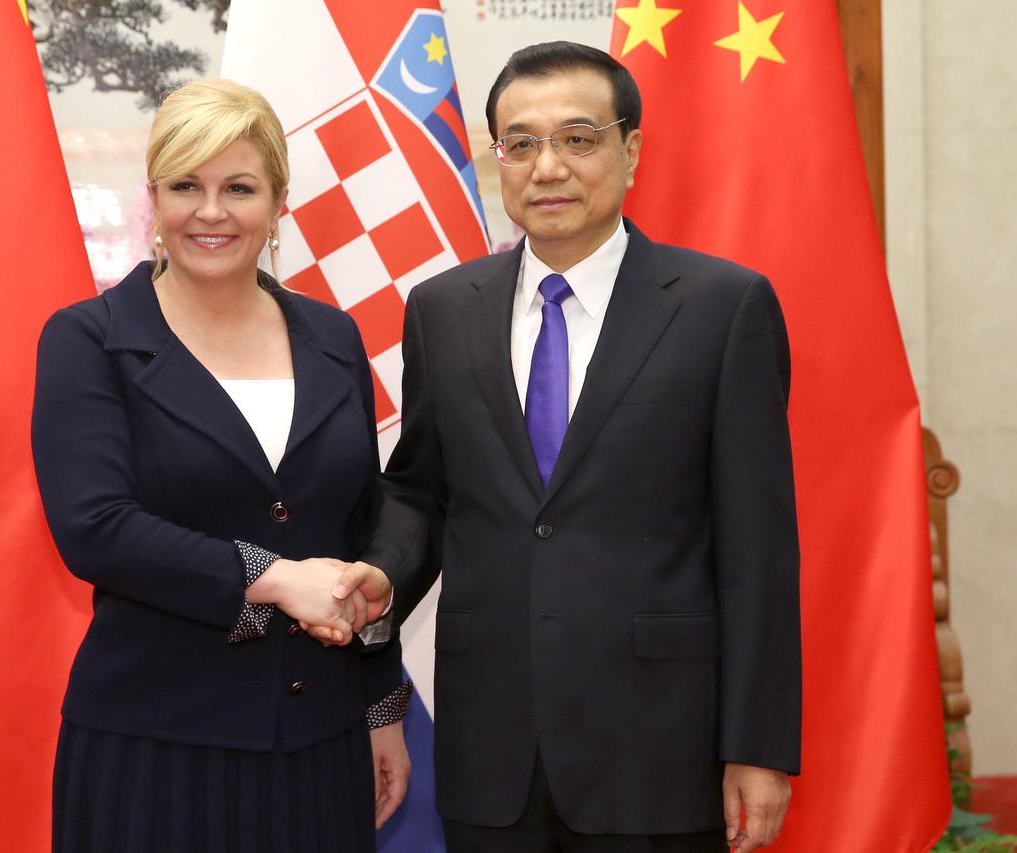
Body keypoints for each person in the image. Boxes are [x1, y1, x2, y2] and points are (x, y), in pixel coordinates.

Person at [330, 42, 801, 853]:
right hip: (491, 744)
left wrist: (756, 745)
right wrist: (381, 572)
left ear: (631, 151)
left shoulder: (722, 307)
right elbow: (425, 492)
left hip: (660, 746)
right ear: (497, 159)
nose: (547, 166)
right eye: (520, 143)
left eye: (578, 138)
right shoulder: (444, 309)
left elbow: (758, 545)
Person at [31, 79, 410, 853]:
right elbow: (95, 529)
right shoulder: (89, 339)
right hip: (154, 747)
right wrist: (274, 578)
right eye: (185, 186)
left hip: (320, 745)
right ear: (154, 199)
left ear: (277, 203)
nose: (210, 212)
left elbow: (360, 527)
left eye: (239, 187)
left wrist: (380, 708)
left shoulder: (333, 337)